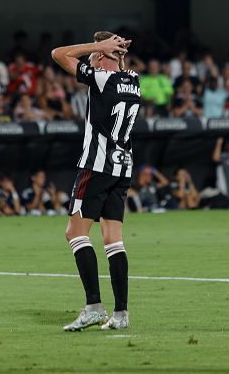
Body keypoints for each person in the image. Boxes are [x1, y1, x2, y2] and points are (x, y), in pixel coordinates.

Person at [51, 31, 137, 332]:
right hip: (122, 167)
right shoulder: (134, 80)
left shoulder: (102, 78)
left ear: (101, 56)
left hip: (96, 167)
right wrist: (115, 53)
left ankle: (94, 307)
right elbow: (119, 71)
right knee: (113, 240)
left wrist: (98, 47)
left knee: (74, 233)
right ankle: (121, 314)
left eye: (94, 55)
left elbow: (59, 54)